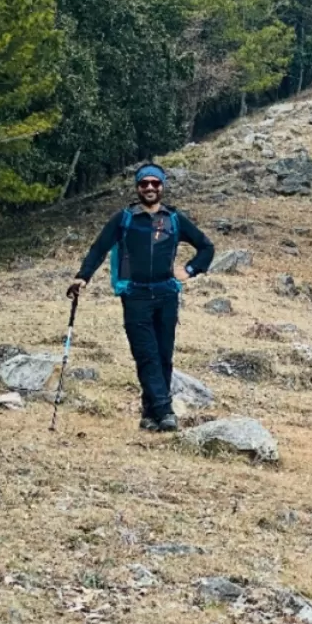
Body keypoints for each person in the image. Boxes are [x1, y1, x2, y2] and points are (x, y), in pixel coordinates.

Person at [67, 163, 214, 432]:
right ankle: (166, 410)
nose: (149, 187)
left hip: (167, 295)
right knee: (146, 354)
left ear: (162, 186)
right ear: (137, 187)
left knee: (163, 356)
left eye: (154, 183)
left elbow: (206, 247)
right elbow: (99, 249)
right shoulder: (124, 219)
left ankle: (150, 414)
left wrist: (190, 270)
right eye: (144, 183)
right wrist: (82, 276)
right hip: (135, 295)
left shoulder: (174, 219)